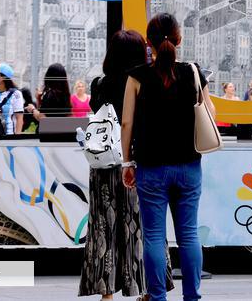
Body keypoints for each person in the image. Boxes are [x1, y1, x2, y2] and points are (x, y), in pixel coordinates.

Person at [121, 13, 215, 301]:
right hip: (189, 166)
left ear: (148, 42)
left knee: (153, 236)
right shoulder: (194, 72)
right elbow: (211, 114)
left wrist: (127, 162)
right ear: (179, 38)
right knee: (188, 235)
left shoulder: (137, 76)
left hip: (150, 168)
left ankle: (158, 297)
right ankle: (192, 297)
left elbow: (127, 123)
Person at [80, 29, 172, 300]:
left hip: (103, 164)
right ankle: (147, 289)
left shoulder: (99, 85)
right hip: (136, 161)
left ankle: (105, 291)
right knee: (141, 225)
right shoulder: (145, 82)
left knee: (102, 226)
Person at [0, 63, 24, 135]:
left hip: (9, 135)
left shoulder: (16, 94)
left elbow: (19, 118)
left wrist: (17, 137)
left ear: (3, 77)